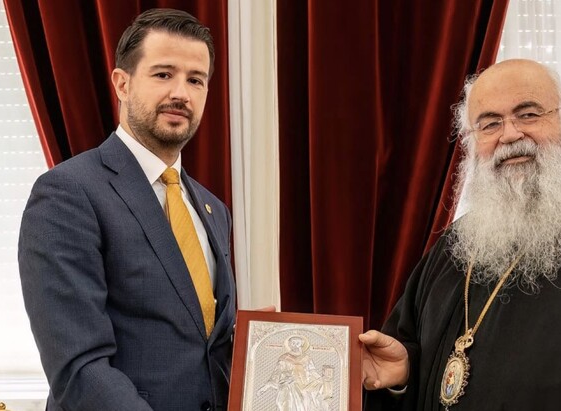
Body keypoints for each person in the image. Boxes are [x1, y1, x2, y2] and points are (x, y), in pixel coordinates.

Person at [359, 59, 561, 410]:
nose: (510, 135)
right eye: (489, 124)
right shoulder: (452, 250)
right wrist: (405, 375)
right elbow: (418, 366)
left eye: (529, 115)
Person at [18, 9, 235, 411]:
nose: (181, 94)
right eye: (163, 74)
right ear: (122, 82)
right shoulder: (67, 193)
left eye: (195, 79)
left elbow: (208, 349)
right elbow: (79, 369)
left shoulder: (213, 209)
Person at [257, 335, 331, 411]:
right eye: (293, 343)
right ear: (289, 344)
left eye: (297, 343)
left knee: (303, 401)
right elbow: (277, 372)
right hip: (288, 383)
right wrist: (268, 384)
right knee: (285, 401)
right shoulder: (284, 357)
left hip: (303, 384)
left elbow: (312, 371)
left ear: (301, 344)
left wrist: (320, 378)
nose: (295, 345)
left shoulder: (306, 358)